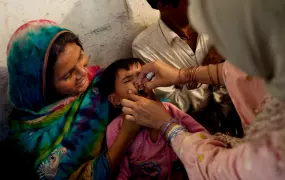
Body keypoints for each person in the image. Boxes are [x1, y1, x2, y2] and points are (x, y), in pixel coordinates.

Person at [121, 0, 285, 179]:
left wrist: (167, 125)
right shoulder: (145, 45)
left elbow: (217, 169)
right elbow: (239, 73)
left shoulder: (273, 148)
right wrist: (186, 74)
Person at [6, 20, 140, 180]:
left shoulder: (100, 81)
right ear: (43, 88)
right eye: (67, 75)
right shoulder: (28, 141)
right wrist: (126, 134)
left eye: (80, 57)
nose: (83, 72)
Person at [133, 0, 243, 136]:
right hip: (202, 134)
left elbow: (247, 71)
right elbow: (176, 106)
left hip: (246, 113)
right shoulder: (145, 47)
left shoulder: (217, 20)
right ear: (163, 4)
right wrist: (207, 68)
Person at [100, 58, 207, 179]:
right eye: (128, 80)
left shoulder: (168, 110)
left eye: (142, 76)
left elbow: (203, 135)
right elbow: (122, 174)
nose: (138, 82)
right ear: (115, 99)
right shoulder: (116, 129)